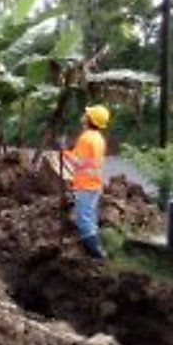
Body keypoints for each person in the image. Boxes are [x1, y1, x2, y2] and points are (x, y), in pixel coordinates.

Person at [63, 105, 110, 258]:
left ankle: (97, 254)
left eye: (87, 114)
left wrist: (64, 150)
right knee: (90, 218)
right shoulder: (98, 138)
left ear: (90, 119)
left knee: (83, 220)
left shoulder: (86, 138)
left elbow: (78, 162)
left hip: (85, 185)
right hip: (94, 184)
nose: (83, 115)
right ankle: (95, 254)